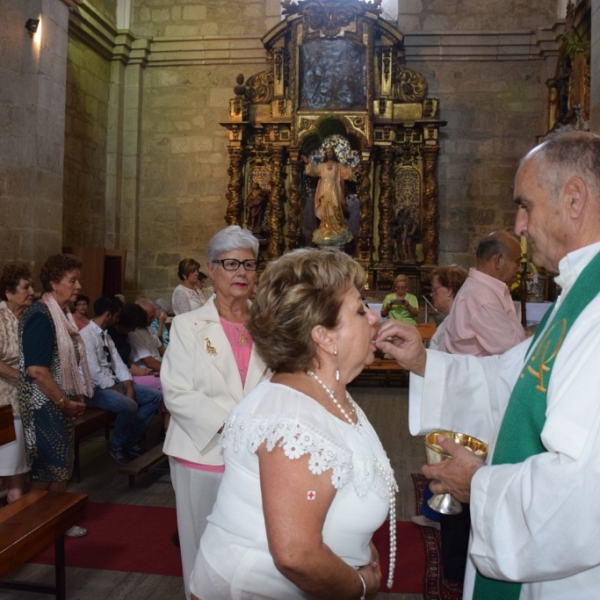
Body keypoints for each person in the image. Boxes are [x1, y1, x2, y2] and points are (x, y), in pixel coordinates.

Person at [376, 130, 600, 599]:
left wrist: (479, 484)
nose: (519, 225)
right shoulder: (580, 290)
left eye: (526, 205)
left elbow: (583, 489)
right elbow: (513, 377)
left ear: (574, 199)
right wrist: (425, 363)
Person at [190, 248, 395, 600]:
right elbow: (296, 554)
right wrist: (360, 585)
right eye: (360, 310)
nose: (374, 319)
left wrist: (360, 546)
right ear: (324, 336)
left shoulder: (324, 392)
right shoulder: (293, 421)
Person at [161, 225, 270, 599]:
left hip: (260, 456)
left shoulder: (268, 325)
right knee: (202, 547)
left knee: (254, 548)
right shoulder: (189, 326)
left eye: (249, 265)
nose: (241, 272)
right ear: (211, 269)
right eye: (230, 264)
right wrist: (235, 424)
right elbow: (177, 391)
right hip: (203, 452)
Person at [18, 254, 91, 537]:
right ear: (53, 283)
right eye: (72, 280)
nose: (78, 286)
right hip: (43, 404)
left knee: (60, 466)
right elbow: (36, 370)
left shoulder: (61, 315)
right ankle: (34, 525)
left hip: (57, 401)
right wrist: (63, 402)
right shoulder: (40, 315)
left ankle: (54, 520)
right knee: (48, 467)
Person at [412, 265, 468, 530]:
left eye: (436, 289)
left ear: (451, 291)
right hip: (442, 396)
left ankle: (437, 514)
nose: (432, 295)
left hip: (453, 400)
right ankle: (433, 511)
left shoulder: (460, 320)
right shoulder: (451, 319)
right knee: (439, 454)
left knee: (444, 455)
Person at [80, 296, 162, 464]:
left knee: (155, 396)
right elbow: (95, 373)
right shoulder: (86, 335)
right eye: (118, 314)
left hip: (112, 383)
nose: (119, 318)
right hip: (94, 389)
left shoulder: (106, 336)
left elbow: (119, 363)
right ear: (109, 315)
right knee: (129, 405)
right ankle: (117, 445)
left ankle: (130, 441)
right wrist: (121, 392)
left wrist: (128, 386)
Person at [441, 231, 525, 356]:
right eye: (517, 261)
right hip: (483, 374)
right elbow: (513, 351)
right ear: (498, 260)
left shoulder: (482, 290)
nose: (520, 269)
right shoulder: (482, 297)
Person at [0, 264, 35, 502]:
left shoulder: (25, 318)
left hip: (24, 402)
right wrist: (24, 379)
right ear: (9, 292)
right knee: (12, 472)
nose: (32, 291)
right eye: (26, 287)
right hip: (6, 405)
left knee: (18, 471)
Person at [302, 147, 355, 248]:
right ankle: (326, 227)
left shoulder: (337, 165)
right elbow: (313, 170)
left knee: (335, 207)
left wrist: (354, 169)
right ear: (325, 154)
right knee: (325, 208)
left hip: (334, 189)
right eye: (327, 152)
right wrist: (307, 162)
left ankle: (336, 227)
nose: (329, 154)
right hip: (324, 190)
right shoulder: (322, 166)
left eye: (331, 152)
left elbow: (346, 172)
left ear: (333, 153)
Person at [428, 266, 469, 351]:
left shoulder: (458, 321)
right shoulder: (452, 318)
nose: (431, 294)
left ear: (449, 291)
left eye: (434, 289)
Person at [129, 298, 166, 371]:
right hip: (148, 371)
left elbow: (161, 349)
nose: (154, 320)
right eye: (151, 317)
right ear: (140, 316)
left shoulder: (148, 327)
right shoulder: (134, 333)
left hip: (159, 368)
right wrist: (173, 370)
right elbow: (150, 363)